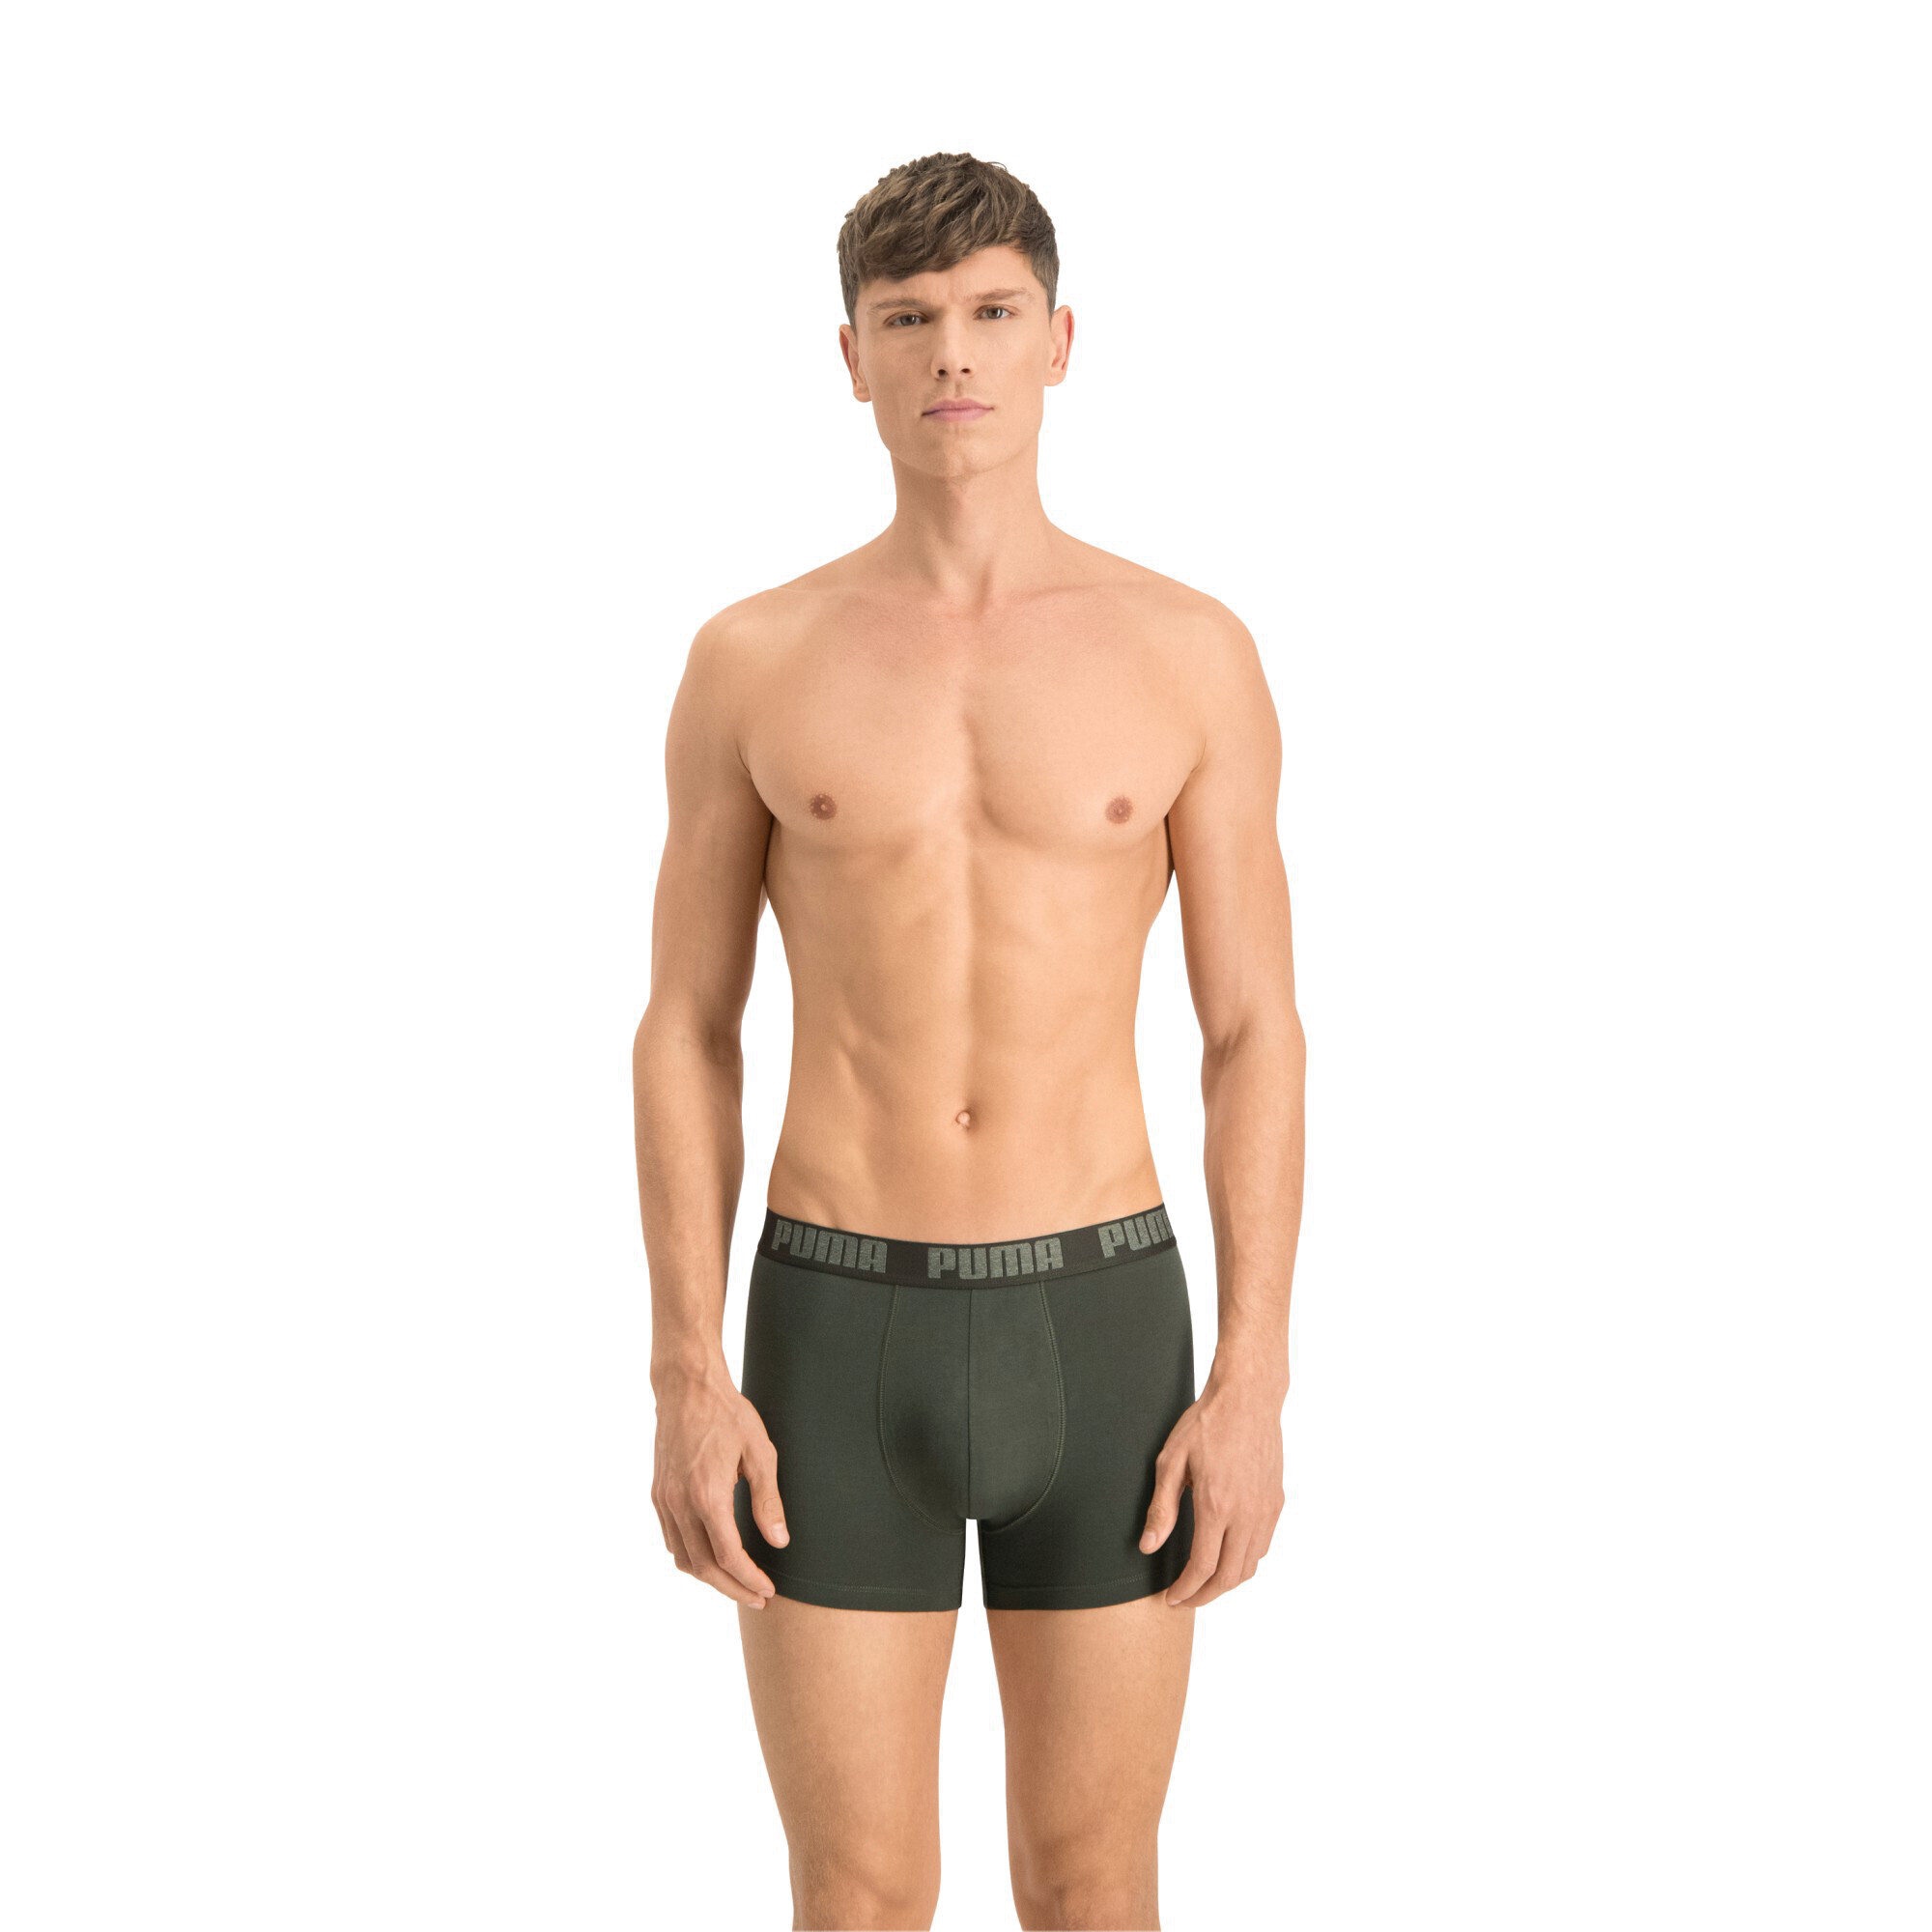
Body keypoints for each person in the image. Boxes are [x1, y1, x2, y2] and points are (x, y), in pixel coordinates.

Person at [634, 151, 1305, 1932]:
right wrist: (686, 1364)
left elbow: (1252, 1029)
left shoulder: (1187, 652)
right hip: (833, 1321)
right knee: (856, 1895)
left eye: (995, 312)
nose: (954, 353)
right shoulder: (754, 657)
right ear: (850, 355)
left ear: (1060, 342)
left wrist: (1253, 1374)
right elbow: (687, 1024)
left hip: (1104, 1319)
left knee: (1093, 1887)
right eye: (909, 316)